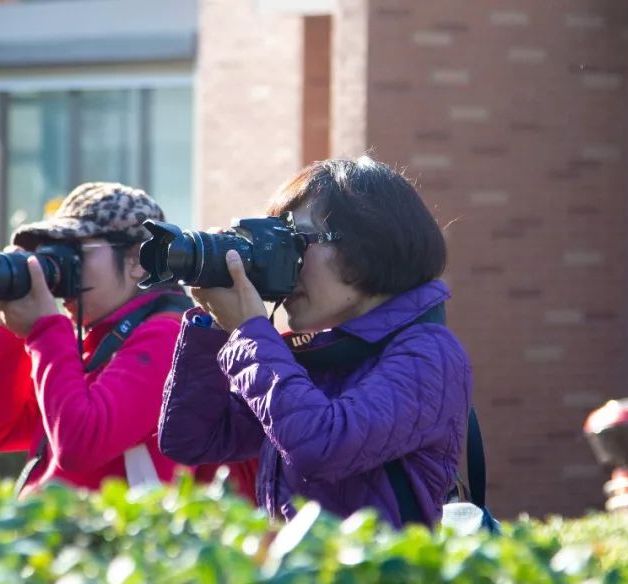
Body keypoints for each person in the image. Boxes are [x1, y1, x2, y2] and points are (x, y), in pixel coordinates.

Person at [157, 157, 473, 528]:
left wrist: (248, 330)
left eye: (297, 242)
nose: (285, 264)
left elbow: (323, 446)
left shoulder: (430, 355)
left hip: (375, 581)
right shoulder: (324, 353)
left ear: (367, 247)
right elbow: (191, 439)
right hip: (300, 581)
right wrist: (213, 325)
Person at [0, 182, 191, 497]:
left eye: (76, 253)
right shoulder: (94, 340)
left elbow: (79, 445)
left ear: (138, 262)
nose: (63, 269)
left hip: (118, 542)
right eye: (53, 254)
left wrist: (44, 330)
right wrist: (13, 315)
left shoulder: (169, 338)